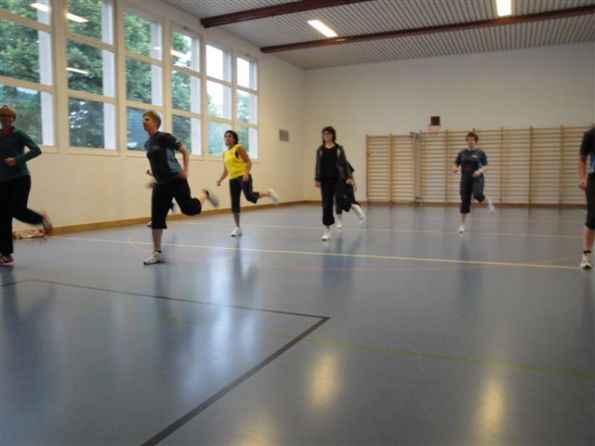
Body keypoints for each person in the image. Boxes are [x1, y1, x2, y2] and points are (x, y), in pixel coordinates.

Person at [142, 110, 219, 265]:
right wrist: (154, 178)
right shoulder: (147, 143)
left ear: (155, 122)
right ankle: (157, 253)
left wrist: (185, 170)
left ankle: (204, 194)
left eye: (147, 119)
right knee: (156, 219)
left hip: (176, 179)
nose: (143, 122)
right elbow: (157, 164)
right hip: (160, 184)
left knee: (189, 210)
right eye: (143, 120)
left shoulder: (165, 137)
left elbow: (184, 151)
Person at [0, 105, 52, 265]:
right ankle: (6, 254)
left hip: (20, 177)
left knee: (17, 209)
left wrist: (16, 160)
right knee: (3, 217)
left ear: (13, 119)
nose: (6, 119)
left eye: (10, 116)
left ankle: (41, 218)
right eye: (3, 116)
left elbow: (36, 150)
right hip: (3, 181)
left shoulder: (18, 134)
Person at [216, 130, 279, 237]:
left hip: (243, 176)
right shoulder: (225, 153)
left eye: (230, 136)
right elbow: (226, 170)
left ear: (234, 139)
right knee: (234, 203)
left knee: (249, 196)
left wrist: (246, 173)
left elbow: (248, 162)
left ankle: (268, 193)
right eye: (225, 136)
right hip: (232, 179)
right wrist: (220, 179)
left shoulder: (238, 148)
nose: (227, 138)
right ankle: (237, 228)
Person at [314, 126, 355, 241]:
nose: (327, 135)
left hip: (338, 179)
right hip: (325, 181)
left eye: (329, 133)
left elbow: (345, 164)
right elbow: (318, 165)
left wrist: (348, 177)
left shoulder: (339, 149)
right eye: (325, 134)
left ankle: (352, 205)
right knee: (326, 205)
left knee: (339, 200)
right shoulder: (320, 150)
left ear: (333, 135)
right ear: (323, 136)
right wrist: (317, 179)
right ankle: (327, 230)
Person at [453, 131, 495, 233]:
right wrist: (455, 168)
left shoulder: (480, 153)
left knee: (478, 194)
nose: (470, 141)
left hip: (478, 178)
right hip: (465, 179)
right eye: (468, 139)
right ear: (466, 141)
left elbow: (486, 166)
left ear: (475, 141)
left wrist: (479, 171)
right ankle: (462, 225)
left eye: (472, 139)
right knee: (465, 202)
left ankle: (487, 202)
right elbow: (455, 164)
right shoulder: (462, 153)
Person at [579, 126, 595, 269]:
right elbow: (582, 158)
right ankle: (586, 254)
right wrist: (583, 177)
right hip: (594, 179)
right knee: (592, 217)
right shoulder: (590, 135)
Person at [335, 161, 365, 228]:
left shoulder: (345, 162)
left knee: (353, 201)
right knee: (338, 203)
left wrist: (354, 183)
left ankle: (359, 216)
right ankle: (339, 221)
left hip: (348, 184)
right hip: (337, 185)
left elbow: (351, 173)